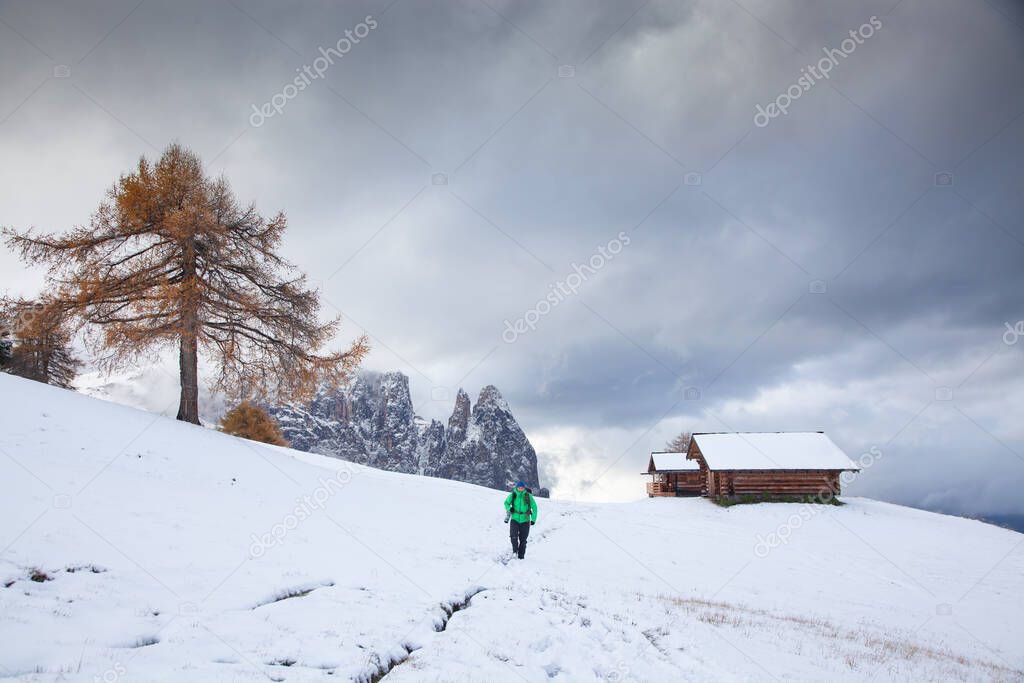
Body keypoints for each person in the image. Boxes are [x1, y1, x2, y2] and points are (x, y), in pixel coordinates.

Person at [503, 481, 537, 559]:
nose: (520, 489)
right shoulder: (513, 495)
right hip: (514, 518)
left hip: (525, 520)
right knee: (513, 536)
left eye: (522, 488)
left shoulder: (528, 496)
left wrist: (533, 519)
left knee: (523, 539)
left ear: (524, 488)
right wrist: (509, 508)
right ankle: (515, 551)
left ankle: (521, 556)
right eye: (519, 488)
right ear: (517, 488)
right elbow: (506, 503)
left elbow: (534, 507)